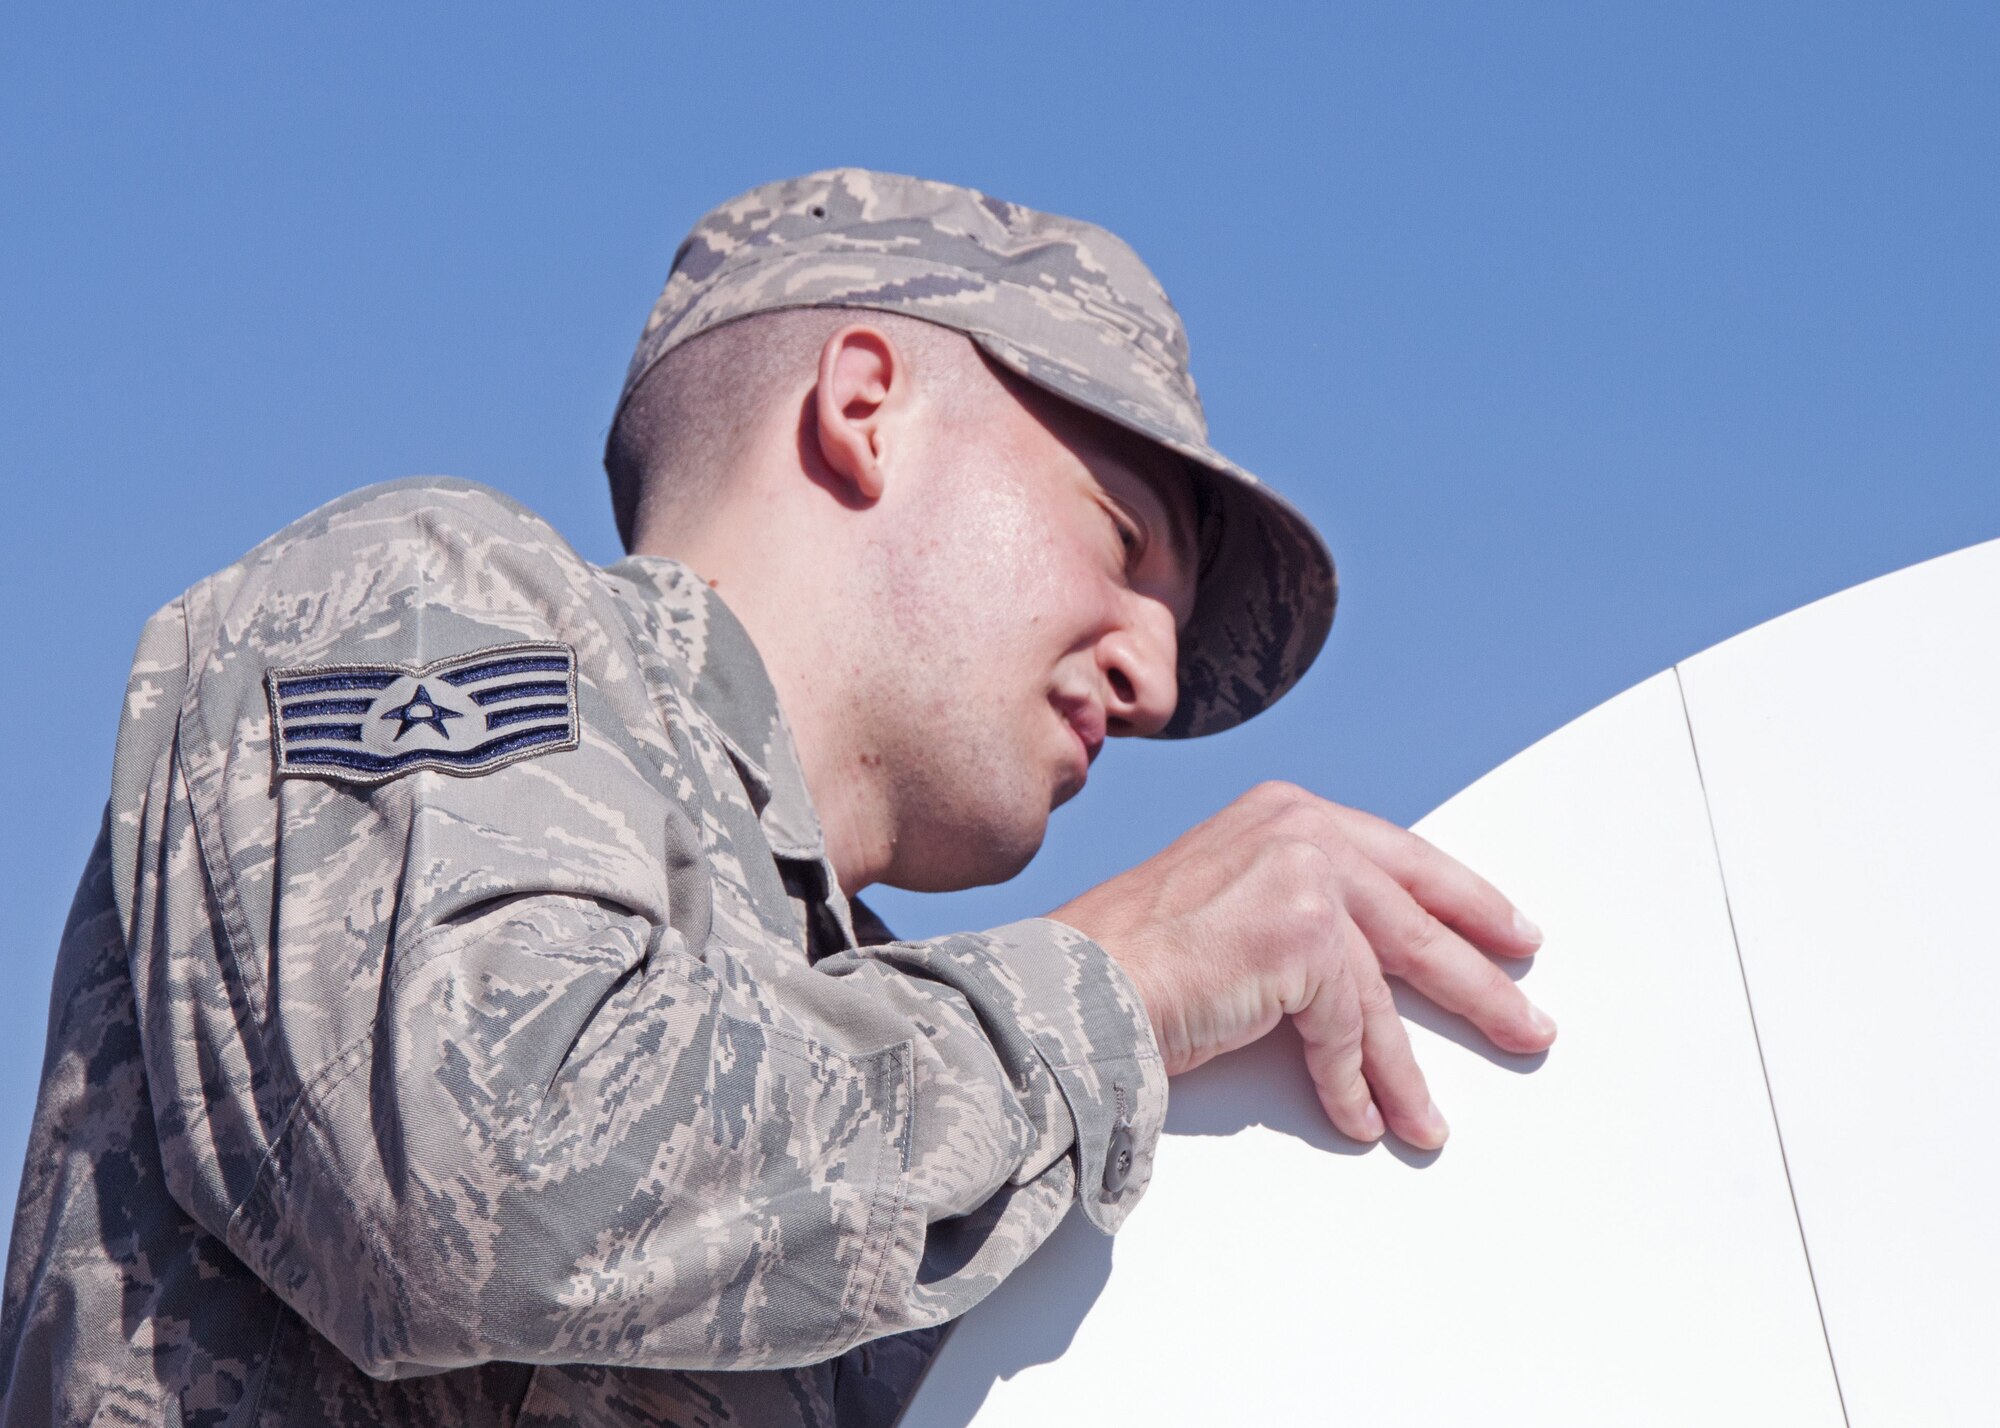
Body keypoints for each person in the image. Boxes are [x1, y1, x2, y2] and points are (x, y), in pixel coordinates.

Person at [0, 168, 1555, 1428]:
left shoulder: (896, 1080)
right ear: (864, 406)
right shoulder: (425, 598)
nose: (1151, 678)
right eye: (1125, 541)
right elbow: (484, 1173)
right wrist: (1122, 985)